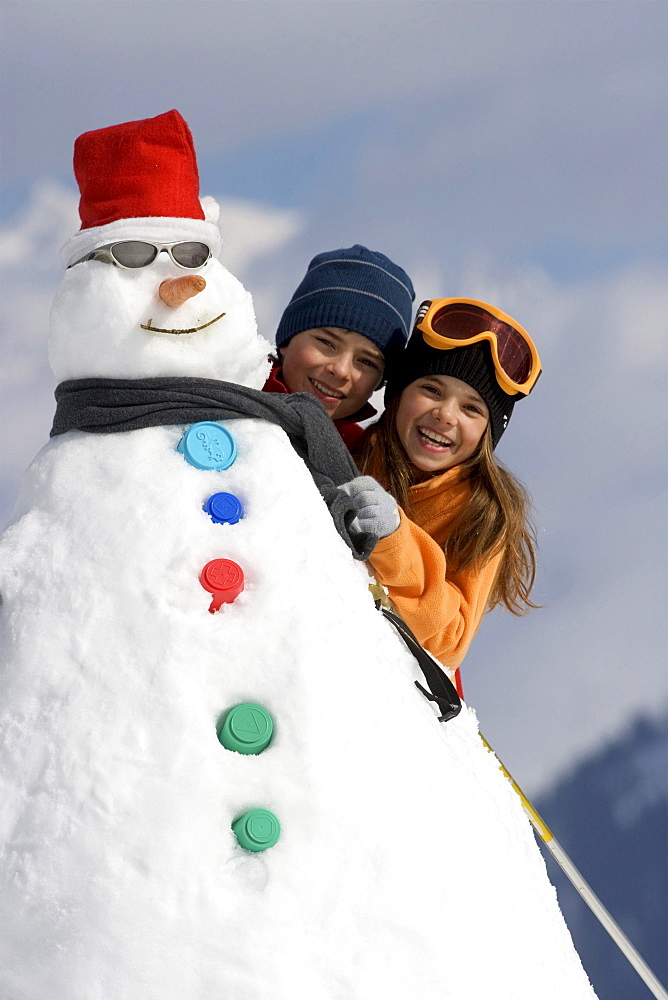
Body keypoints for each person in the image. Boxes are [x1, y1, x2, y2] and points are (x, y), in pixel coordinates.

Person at [345, 297, 542, 684]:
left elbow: (451, 639)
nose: (446, 414)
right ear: (399, 393)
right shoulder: (353, 451)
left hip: (402, 687)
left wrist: (394, 542)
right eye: (432, 390)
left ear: (488, 433)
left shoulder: (482, 511)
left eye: (472, 409)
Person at [263, 245, 415, 448]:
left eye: (367, 362)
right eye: (327, 343)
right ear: (287, 340)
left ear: (380, 381)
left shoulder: (363, 460)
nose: (341, 370)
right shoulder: (222, 391)